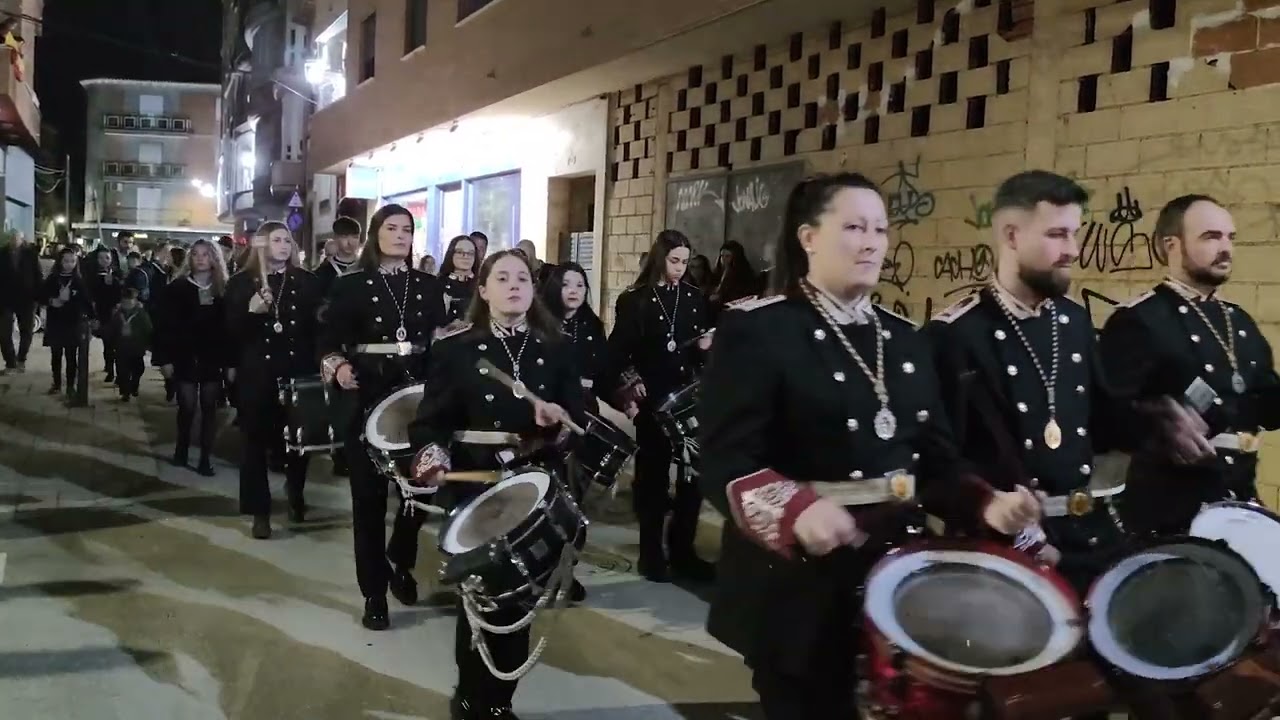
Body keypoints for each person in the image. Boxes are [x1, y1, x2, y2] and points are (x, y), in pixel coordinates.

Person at [699, 172, 1041, 718]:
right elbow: (724, 458)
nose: (872, 242)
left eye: (880, 229)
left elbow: (934, 460)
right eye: (854, 227)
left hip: (892, 580)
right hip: (797, 588)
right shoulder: (760, 330)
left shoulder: (903, 337)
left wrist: (986, 504)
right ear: (808, 238)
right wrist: (795, 511)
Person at [923, 171, 1215, 594]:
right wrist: (997, 515)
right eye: (1057, 235)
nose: (1072, 251)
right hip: (997, 551)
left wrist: (1159, 414)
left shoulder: (1073, 321)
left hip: (1085, 536)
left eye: (1074, 234)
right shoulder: (956, 334)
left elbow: (1101, 425)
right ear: (1011, 236)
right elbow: (935, 465)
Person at [408, 249, 588, 720]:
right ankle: (470, 694)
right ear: (482, 290)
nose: (514, 285)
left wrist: (560, 419)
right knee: (478, 595)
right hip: (475, 485)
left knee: (520, 598)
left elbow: (577, 414)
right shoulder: (455, 346)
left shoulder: (557, 345)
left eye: (523, 278)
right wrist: (432, 457)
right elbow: (430, 423)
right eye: (502, 278)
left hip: (533, 485)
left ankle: (499, 702)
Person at [1099, 194, 1280, 535]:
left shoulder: (1239, 322)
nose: (1225, 248)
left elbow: (1267, 411)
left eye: (1230, 237)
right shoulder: (1140, 319)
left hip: (1236, 504)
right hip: (1165, 515)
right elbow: (1104, 419)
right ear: (1172, 245)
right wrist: (1156, 415)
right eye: (1211, 237)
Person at [318, 203, 448, 630]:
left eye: (407, 229)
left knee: (422, 490)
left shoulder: (428, 286)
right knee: (369, 501)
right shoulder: (352, 285)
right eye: (391, 228)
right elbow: (327, 339)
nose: (400, 235)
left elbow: (440, 340)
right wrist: (337, 367)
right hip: (367, 392)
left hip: (418, 397)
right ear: (376, 235)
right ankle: (374, 591)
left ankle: (402, 558)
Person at [607, 229, 714, 582]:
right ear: (659, 258)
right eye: (674, 261)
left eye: (685, 262)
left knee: (692, 478)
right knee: (652, 480)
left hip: (689, 398)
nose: (680, 268)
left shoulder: (695, 298)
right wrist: (631, 389)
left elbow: (700, 344)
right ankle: (651, 554)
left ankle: (683, 550)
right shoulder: (635, 300)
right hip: (652, 400)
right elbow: (617, 353)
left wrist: (705, 347)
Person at [227, 222, 323, 539]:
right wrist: (250, 312)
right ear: (261, 245)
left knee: (299, 442)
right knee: (254, 443)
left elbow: (318, 328)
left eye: (287, 240)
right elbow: (229, 333)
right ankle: (260, 511)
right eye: (276, 239)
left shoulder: (307, 282)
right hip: (258, 374)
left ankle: (295, 493)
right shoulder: (242, 283)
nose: (283, 245)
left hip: (297, 372)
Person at [155, 239, 234, 476]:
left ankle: (205, 457)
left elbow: (231, 329)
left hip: (212, 357)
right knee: (187, 406)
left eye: (206, 254)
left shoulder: (223, 290)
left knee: (210, 409)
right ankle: (182, 447)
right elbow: (163, 327)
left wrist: (231, 362)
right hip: (184, 356)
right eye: (196, 254)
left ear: (214, 259)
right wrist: (163, 359)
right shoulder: (176, 288)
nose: (200, 258)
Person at [540, 261, 608, 401]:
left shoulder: (592, 325)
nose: (573, 291)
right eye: (565, 285)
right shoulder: (539, 323)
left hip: (584, 404)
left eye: (579, 285)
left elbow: (602, 370)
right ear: (555, 287)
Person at [40, 247, 93, 397]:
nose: (69, 264)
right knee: (56, 355)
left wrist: (93, 318)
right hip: (56, 322)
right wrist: (52, 301)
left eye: (72, 261)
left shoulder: (78, 281)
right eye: (66, 261)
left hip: (72, 322)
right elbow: (41, 295)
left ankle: (70, 386)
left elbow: (86, 301)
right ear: (60, 262)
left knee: (71, 356)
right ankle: (56, 383)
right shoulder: (53, 279)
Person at [0, 230, 43, 373]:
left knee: (26, 330)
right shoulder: (2, 253)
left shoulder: (30, 254)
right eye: (11, 238)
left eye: (16, 238)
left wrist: (38, 296)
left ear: (22, 239)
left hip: (27, 298)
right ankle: (10, 362)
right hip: (5, 299)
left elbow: (38, 275)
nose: (13, 240)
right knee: (4, 332)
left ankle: (21, 359)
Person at [107, 288, 151, 401]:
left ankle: (134, 385)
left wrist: (147, 343)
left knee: (138, 368)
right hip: (122, 348)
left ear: (135, 300)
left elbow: (148, 329)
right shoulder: (117, 314)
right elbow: (112, 329)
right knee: (122, 371)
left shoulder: (140, 313)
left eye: (130, 299)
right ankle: (125, 392)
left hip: (137, 347)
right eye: (125, 300)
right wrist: (111, 343)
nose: (127, 302)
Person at [87, 247, 124, 382]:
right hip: (102, 312)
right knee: (107, 343)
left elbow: (122, 292)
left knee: (118, 344)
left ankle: (120, 373)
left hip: (117, 313)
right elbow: (92, 294)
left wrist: (113, 282)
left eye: (107, 258)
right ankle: (109, 369)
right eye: (101, 258)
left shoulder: (117, 273)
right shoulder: (93, 274)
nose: (104, 261)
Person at [438, 235, 479, 326]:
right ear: (451, 254)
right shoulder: (437, 284)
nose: (465, 256)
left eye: (471, 253)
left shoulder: (482, 285)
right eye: (460, 252)